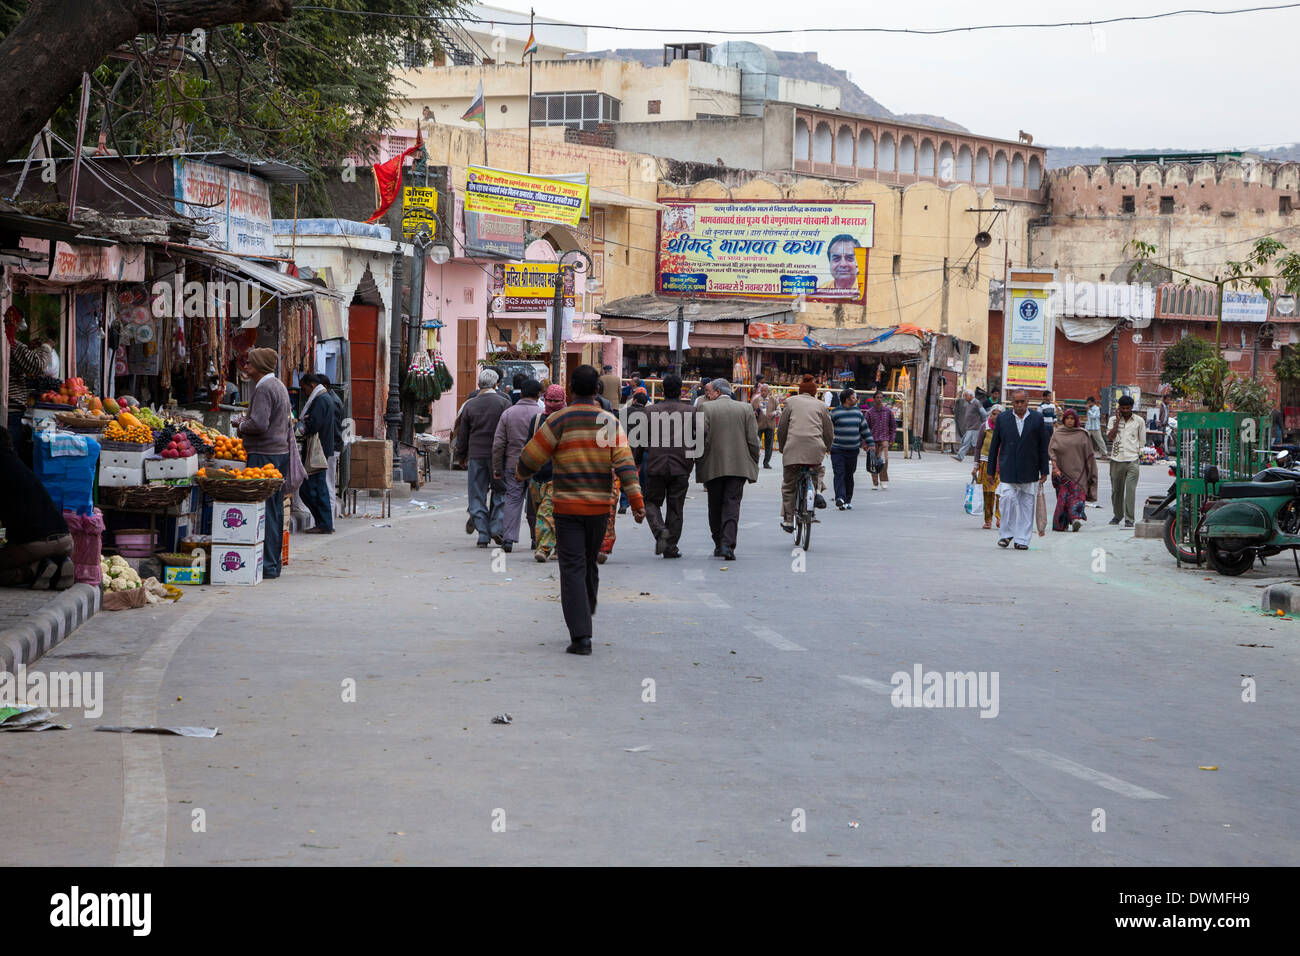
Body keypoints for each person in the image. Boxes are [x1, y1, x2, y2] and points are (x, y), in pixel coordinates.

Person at [516, 365, 644, 656]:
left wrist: (520, 474)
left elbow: (532, 456)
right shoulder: (609, 422)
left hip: (567, 507)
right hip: (599, 507)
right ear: (597, 391)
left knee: (572, 567)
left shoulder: (559, 420)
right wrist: (637, 504)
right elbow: (625, 465)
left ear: (571, 390)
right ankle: (587, 606)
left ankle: (581, 635)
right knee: (588, 562)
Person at [235, 347, 293, 578]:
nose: (246, 367)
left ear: (258, 366)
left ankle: (268, 564)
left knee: (266, 509)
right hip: (277, 453)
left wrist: (240, 424)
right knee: (274, 509)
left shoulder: (264, 388)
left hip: (264, 454)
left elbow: (259, 424)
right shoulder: (278, 385)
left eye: (249, 363)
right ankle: (272, 563)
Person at [0, 426, 74, 589]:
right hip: (66, 540)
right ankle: (57, 564)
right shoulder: (20, 466)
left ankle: (33, 570)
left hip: (36, 545)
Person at [695, 378, 759, 560]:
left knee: (714, 505)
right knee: (732, 504)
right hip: (738, 466)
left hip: (712, 465)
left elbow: (700, 438)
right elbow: (753, 440)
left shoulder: (706, 408)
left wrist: (699, 461)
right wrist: (753, 460)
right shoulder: (745, 408)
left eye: (710, 392)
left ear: (716, 391)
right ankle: (728, 545)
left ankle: (718, 543)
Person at [637, 374, 700, 559]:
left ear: (662, 390)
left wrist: (636, 461)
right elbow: (701, 436)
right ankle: (671, 546)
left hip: (655, 464)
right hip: (681, 466)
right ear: (681, 390)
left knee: (650, 502)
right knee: (676, 507)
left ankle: (659, 530)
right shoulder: (691, 411)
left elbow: (640, 440)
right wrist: (693, 457)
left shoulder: (649, 411)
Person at [985, 389, 1051, 551]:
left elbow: (1043, 446)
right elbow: (994, 446)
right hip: (1008, 468)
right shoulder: (1003, 418)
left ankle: (1022, 539)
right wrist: (990, 470)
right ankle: (1006, 534)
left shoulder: (1037, 419)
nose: (1019, 405)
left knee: (1027, 505)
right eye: (1016, 402)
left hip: (1030, 469)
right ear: (1012, 403)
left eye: (1022, 402)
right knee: (1006, 499)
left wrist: (1044, 470)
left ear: (1027, 402)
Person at [456, 368, 511, 547]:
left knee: (477, 494)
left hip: (476, 455)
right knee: (501, 491)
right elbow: (508, 432)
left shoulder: (470, 405)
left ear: (479, 384)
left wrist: (461, 456)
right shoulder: (504, 403)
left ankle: (483, 534)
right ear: (496, 384)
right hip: (499, 456)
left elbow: (462, 435)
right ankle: (497, 527)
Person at [492, 379, 544, 553]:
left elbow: (499, 443)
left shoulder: (508, 413)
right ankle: (536, 537)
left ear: (521, 393)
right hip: (537, 465)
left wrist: (497, 467)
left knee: (512, 499)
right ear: (539, 395)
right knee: (534, 502)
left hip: (513, 463)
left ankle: (508, 538)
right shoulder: (542, 414)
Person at [777, 374, 833, 533]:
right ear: (815, 392)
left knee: (789, 485)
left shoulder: (791, 402)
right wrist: (827, 447)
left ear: (800, 391)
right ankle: (816, 491)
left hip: (793, 448)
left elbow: (782, 428)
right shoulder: (821, 405)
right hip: (815, 448)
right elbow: (829, 431)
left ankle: (788, 520)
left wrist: (782, 447)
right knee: (817, 470)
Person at [529, 384, 567, 562]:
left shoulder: (567, 421)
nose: (552, 404)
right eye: (549, 400)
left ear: (563, 401)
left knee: (547, 513)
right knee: (543, 513)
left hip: (558, 477)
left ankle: (543, 548)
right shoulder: (536, 420)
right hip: (537, 475)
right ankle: (560, 546)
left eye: (556, 401)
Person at [297, 373, 337, 534]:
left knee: (314, 488)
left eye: (304, 388)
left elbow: (313, 425)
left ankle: (324, 523)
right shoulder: (323, 398)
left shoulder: (321, 400)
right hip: (320, 449)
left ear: (311, 386)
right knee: (313, 488)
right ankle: (323, 522)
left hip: (318, 450)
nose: (304, 392)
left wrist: (303, 423)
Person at [1048, 407, 1098, 532]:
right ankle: (1062, 523)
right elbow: (1052, 452)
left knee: (1077, 496)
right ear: (1063, 420)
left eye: (1072, 419)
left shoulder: (1082, 434)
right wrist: (1055, 467)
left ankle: (1076, 519)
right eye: (1067, 418)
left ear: (1076, 420)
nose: (1070, 421)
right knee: (1063, 498)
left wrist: (1091, 473)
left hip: (1079, 473)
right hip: (1062, 472)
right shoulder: (1058, 434)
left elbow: (1089, 455)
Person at [829, 388, 874, 509]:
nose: (856, 399)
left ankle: (847, 499)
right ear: (847, 399)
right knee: (839, 473)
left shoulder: (858, 413)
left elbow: (864, 429)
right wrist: (826, 444)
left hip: (853, 450)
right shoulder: (835, 413)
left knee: (849, 475)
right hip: (837, 449)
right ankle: (840, 497)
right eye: (854, 397)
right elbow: (827, 430)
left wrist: (871, 443)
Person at [1106, 394, 1146, 528]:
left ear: (1132, 408)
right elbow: (1110, 437)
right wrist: (1117, 421)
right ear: (1119, 408)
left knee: (1130, 490)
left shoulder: (1139, 421)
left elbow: (1142, 441)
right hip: (1116, 460)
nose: (1125, 411)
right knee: (1116, 491)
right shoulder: (1112, 420)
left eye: (1128, 408)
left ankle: (1129, 518)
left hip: (1133, 460)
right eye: (1122, 408)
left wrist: (1138, 454)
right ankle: (1118, 515)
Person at [971, 405, 1002, 530]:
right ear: (990, 415)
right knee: (987, 493)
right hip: (985, 463)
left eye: (998, 414)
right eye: (993, 414)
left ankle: (1000, 518)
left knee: (1000, 493)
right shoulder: (985, 427)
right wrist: (976, 465)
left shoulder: (1005, 428)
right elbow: (978, 447)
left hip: (1000, 465)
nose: (996, 417)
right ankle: (988, 519)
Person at [864, 390, 895, 490]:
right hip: (872, 440)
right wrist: (865, 443)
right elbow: (865, 428)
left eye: (881, 397)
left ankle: (883, 480)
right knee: (873, 461)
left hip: (884, 438)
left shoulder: (888, 412)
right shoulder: (869, 413)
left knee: (884, 460)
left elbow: (893, 426)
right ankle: (875, 482)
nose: (879, 399)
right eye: (877, 397)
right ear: (874, 399)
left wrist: (892, 438)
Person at [751, 382, 780, 469]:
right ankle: (755, 462)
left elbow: (779, 410)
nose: (763, 392)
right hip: (759, 425)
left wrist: (773, 413)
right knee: (756, 444)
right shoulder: (756, 400)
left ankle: (766, 462)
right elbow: (750, 411)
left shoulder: (773, 400)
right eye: (762, 391)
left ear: (768, 391)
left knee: (769, 445)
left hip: (770, 425)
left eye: (765, 391)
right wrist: (754, 413)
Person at [953, 388, 985, 462]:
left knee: (971, 443)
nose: (964, 397)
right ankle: (960, 456)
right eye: (964, 396)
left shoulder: (976, 403)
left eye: (966, 396)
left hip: (975, 427)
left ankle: (960, 456)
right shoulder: (968, 403)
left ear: (971, 396)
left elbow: (983, 413)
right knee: (967, 442)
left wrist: (982, 423)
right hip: (970, 427)